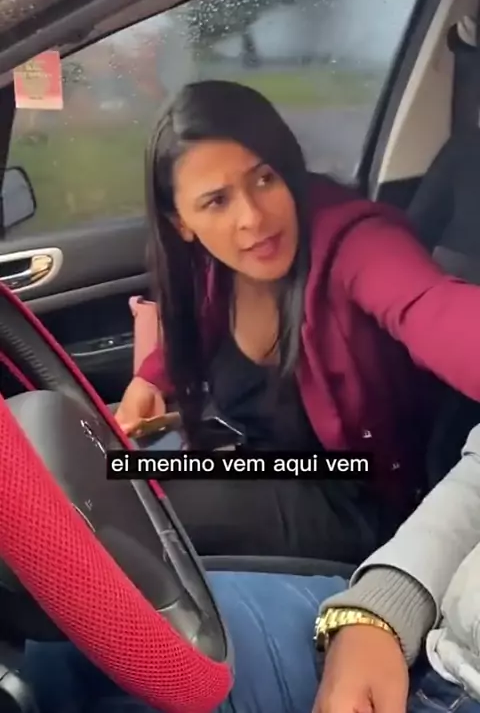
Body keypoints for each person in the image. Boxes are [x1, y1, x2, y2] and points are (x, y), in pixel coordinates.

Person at [115, 79, 480, 562]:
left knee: (134, 511)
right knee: (118, 477)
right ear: (181, 221)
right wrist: (150, 378)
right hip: (269, 462)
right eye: (217, 201)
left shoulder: (353, 243)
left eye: (264, 179)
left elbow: (429, 305)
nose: (253, 217)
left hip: (359, 493)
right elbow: (198, 319)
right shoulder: (215, 265)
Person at [22, 421, 480, 713]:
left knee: (140, 497)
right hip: (434, 620)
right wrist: (383, 608)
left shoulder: (346, 292)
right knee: (72, 641)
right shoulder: (198, 299)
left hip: (343, 476)